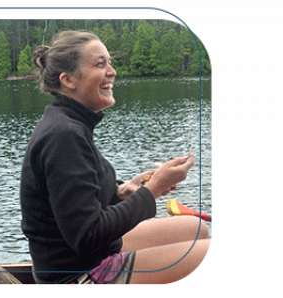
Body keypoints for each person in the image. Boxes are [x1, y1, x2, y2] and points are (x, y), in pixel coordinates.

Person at [19, 30, 210, 284]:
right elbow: (87, 235)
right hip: (78, 274)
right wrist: (152, 189)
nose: (112, 71)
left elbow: (74, 204)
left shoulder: (67, 124)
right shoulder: (63, 135)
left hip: (86, 255)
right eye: (100, 64)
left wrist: (121, 191)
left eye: (110, 62)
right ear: (68, 80)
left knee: (195, 229)